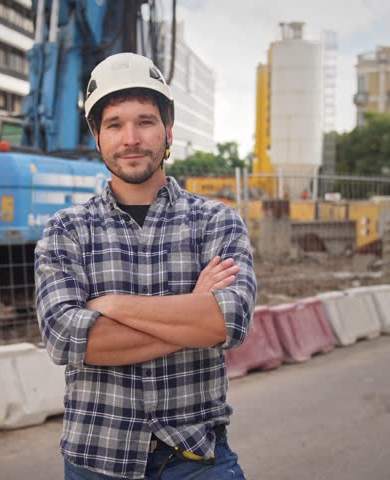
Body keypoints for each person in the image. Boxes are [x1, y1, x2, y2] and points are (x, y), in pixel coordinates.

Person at [35, 52, 257, 480]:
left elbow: (229, 322)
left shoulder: (216, 220)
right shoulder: (67, 230)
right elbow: (65, 337)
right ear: (97, 135)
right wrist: (191, 309)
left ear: (168, 131)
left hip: (194, 456)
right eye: (115, 124)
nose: (131, 138)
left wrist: (112, 305)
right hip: (97, 457)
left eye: (146, 121)